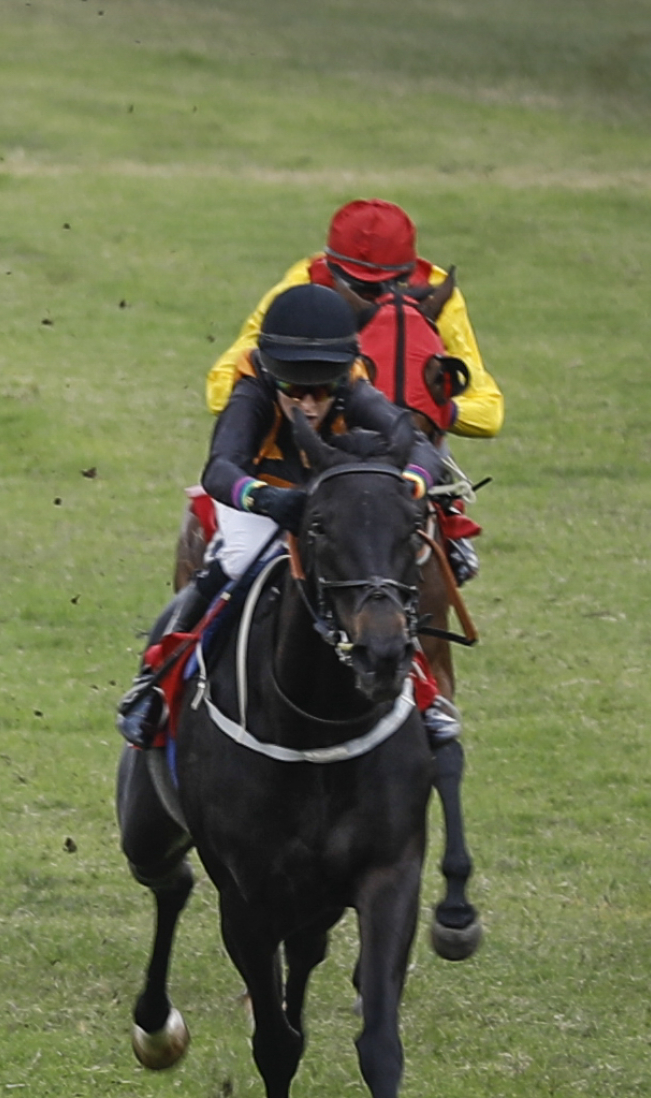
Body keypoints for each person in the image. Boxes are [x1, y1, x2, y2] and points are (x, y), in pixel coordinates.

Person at [118, 284, 450, 745]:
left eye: (322, 391)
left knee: (377, 568)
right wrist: (268, 501)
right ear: (274, 377)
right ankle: (155, 682)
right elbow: (220, 470)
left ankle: (424, 696)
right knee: (234, 560)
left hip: (330, 497)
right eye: (296, 391)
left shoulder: (352, 384)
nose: (310, 404)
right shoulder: (252, 390)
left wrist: (410, 482)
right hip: (262, 497)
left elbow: (417, 444)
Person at [206, 198, 502, 581]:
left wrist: (429, 413)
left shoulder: (436, 296)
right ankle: (189, 627)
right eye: (358, 287)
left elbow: (488, 413)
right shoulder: (298, 291)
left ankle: (449, 540)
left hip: (364, 452)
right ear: (331, 269)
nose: (372, 300)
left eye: (387, 286)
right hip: (272, 470)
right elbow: (218, 391)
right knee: (242, 562)